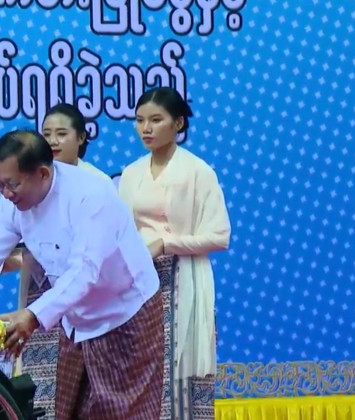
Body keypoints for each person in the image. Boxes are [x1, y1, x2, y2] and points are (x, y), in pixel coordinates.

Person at [0, 129, 164, 419]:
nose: (5, 193)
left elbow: (84, 271)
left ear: (43, 174)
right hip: (75, 319)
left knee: (126, 414)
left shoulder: (91, 195)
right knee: (70, 411)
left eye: (12, 184)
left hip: (125, 314)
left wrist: (33, 315)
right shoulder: (11, 204)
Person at [118, 87, 230, 420]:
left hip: (184, 280)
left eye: (156, 120)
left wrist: (166, 244)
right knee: (141, 373)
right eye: (140, 120)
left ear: (178, 123)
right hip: (140, 284)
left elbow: (219, 236)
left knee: (182, 375)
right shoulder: (131, 173)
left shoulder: (197, 171)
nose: (146, 129)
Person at [8, 103, 112, 420]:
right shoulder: (28, 180)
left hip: (86, 298)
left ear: (81, 138)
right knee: (40, 384)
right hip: (38, 291)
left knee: (89, 390)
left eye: (61, 133)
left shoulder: (97, 184)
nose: (53, 140)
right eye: (47, 133)